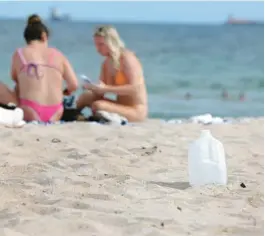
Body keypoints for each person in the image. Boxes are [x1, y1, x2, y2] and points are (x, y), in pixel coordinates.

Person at [0, 14, 78, 122]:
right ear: (44, 36)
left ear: (26, 38)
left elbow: (15, 78)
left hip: (29, 111)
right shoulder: (58, 54)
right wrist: (64, 92)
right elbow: (74, 85)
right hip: (56, 113)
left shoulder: (20, 53)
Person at [76, 25, 148, 122]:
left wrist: (105, 88)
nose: (98, 48)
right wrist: (92, 87)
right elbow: (101, 92)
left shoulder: (127, 58)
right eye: (96, 44)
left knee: (98, 105)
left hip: (136, 110)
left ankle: (99, 118)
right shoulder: (106, 63)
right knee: (86, 96)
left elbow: (135, 88)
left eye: (101, 44)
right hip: (120, 106)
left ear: (112, 42)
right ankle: (73, 115)